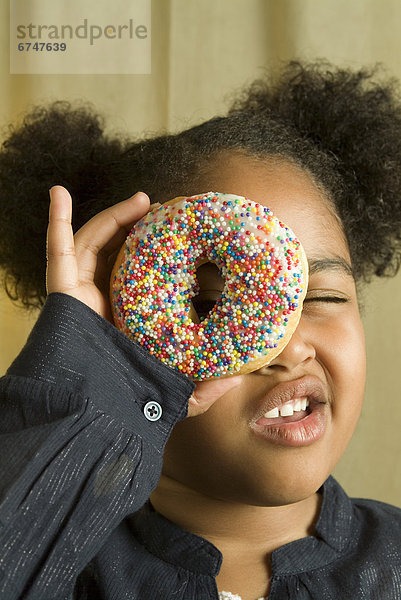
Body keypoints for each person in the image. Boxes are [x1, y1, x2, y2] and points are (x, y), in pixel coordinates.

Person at [0, 61, 401, 600]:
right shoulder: (66, 563)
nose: (286, 349)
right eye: (209, 303)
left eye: (322, 298)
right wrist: (88, 377)